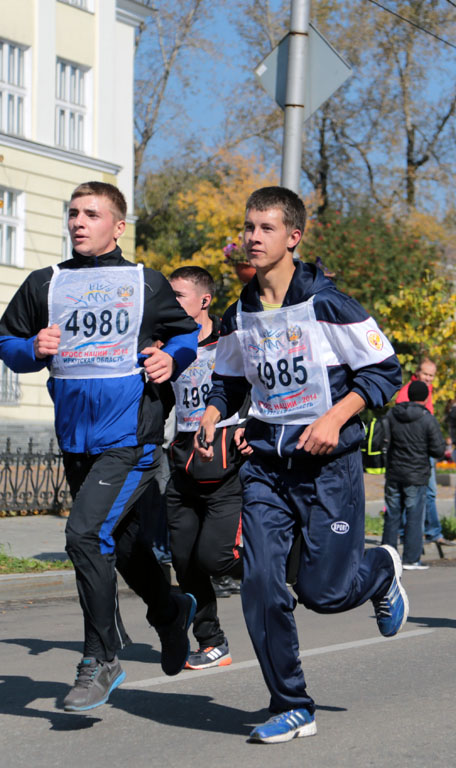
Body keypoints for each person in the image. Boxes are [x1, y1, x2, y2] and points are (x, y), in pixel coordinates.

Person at [195, 186, 405, 744]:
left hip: (328, 469)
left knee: (326, 595)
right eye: (248, 227)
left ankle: (381, 569)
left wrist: (337, 417)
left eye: (265, 228)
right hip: (266, 464)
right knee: (262, 584)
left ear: (293, 237)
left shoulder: (328, 303)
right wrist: (215, 411)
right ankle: (291, 704)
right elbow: (232, 376)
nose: (252, 238)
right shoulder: (240, 308)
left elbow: (386, 371)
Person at [0, 181, 200, 710]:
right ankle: (170, 612)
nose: (78, 222)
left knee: (84, 535)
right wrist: (30, 347)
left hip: (129, 437)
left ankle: (102, 656)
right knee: (126, 547)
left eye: (91, 213)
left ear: (118, 225)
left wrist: (170, 360)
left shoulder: (144, 283)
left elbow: (185, 334)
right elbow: (7, 341)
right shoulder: (46, 282)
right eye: (72, 213)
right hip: (76, 440)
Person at [165, 266, 248, 670]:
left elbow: (254, 387)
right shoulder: (168, 345)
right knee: (183, 560)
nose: (171, 302)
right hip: (182, 456)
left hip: (224, 459)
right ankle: (212, 642)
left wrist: (250, 427)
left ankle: (284, 565)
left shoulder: (228, 341)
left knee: (214, 558)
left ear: (204, 300)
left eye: (178, 295)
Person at [382, 380, 446, 569]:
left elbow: (384, 440)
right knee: (414, 516)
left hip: (394, 472)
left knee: (392, 515)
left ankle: (386, 558)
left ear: (408, 394)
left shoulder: (392, 414)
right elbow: (438, 450)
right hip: (416, 475)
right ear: (426, 397)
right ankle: (411, 559)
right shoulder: (427, 418)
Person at [394, 358, 448, 545]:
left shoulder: (428, 390)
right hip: (412, 451)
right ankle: (409, 532)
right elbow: (401, 417)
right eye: (425, 374)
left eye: (431, 376)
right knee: (409, 493)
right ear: (417, 373)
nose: (428, 378)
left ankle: (431, 531)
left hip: (424, 449)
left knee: (430, 492)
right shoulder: (409, 391)